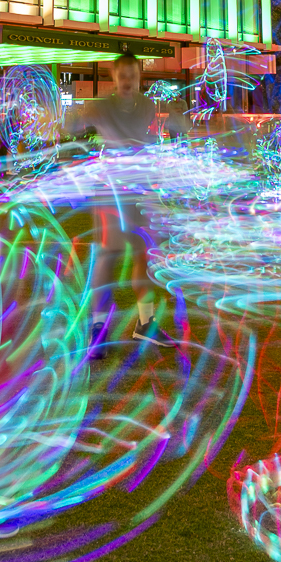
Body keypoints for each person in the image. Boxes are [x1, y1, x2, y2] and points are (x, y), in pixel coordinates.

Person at [66, 53, 187, 349]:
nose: (127, 81)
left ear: (138, 78)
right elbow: (71, 130)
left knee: (142, 255)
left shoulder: (147, 105)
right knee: (108, 255)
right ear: (114, 77)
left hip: (138, 191)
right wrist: (73, 121)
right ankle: (97, 327)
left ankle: (145, 323)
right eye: (123, 76)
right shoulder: (100, 106)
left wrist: (176, 118)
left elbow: (175, 129)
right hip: (111, 194)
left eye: (132, 76)